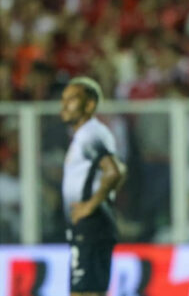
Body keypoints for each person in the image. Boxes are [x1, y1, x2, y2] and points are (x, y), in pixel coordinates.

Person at [60, 76, 126, 296]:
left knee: (85, 292)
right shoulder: (85, 135)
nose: (65, 104)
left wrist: (90, 205)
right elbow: (120, 170)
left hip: (92, 225)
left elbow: (113, 170)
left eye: (72, 99)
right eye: (63, 99)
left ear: (89, 104)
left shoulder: (90, 133)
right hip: (89, 227)